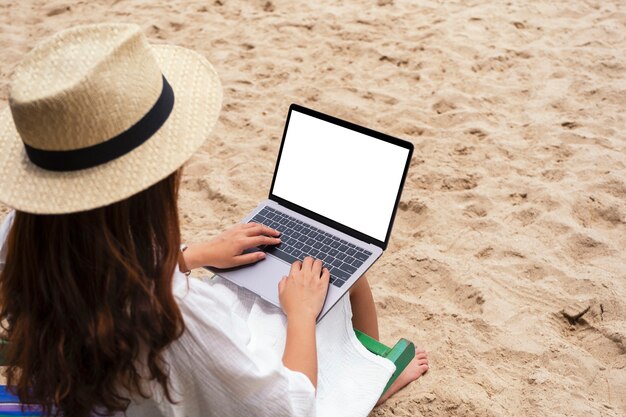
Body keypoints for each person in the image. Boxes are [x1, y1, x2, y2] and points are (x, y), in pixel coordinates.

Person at [0, 23, 428, 417]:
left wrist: (192, 256)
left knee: (273, 292)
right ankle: (371, 380)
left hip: (82, 393)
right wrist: (300, 314)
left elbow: (103, 267)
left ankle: (367, 371)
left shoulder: (23, 235)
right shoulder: (171, 318)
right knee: (313, 303)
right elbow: (290, 408)